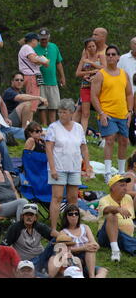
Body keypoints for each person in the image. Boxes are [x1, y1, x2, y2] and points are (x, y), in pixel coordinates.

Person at [46, 98, 92, 234]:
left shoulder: (78, 128)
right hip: (58, 167)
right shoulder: (53, 127)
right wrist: (53, 169)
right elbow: (48, 149)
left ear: (71, 112)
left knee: (73, 198)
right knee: (57, 197)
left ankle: (73, 227)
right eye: (60, 112)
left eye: (64, 112)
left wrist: (88, 166)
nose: (61, 115)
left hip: (74, 168)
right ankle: (53, 228)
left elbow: (84, 148)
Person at [91, 45, 133, 183]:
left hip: (122, 113)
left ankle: (121, 172)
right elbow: (94, 96)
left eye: (113, 54)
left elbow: (129, 94)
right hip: (107, 113)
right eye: (108, 54)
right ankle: (108, 172)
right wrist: (101, 113)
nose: (110, 56)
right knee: (109, 140)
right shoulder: (100, 74)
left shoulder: (124, 74)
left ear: (118, 57)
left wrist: (130, 111)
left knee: (123, 141)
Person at [60, 204, 107, 278]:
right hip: (74, 259)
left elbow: (93, 242)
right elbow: (66, 250)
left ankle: (91, 276)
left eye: (76, 213)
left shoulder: (85, 227)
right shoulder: (63, 232)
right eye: (70, 214)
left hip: (88, 260)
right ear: (66, 216)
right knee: (88, 250)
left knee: (104, 270)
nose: (74, 216)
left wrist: (95, 246)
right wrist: (83, 248)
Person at [97, 174, 136, 262]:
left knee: (124, 238)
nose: (125, 188)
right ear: (112, 188)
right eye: (122, 185)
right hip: (106, 236)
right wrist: (117, 209)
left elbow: (131, 218)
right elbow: (106, 209)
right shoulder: (104, 200)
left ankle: (128, 245)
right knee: (112, 215)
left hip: (125, 236)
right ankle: (115, 251)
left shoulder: (128, 198)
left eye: (125, 185)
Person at [34, 28, 66, 127]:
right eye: (42, 39)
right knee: (42, 106)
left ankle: (52, 126)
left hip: (53, 81)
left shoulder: (54, 47)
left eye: (45, 38)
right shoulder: (34, 48)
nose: (44, 40)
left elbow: (58, 63)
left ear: (48, 38)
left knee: (53, 105)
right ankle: (43, 126)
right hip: (40, 81)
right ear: (39, 38)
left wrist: (62, 76)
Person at [74, 38, 106, 132]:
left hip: (99, 87)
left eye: (93, 46)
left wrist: (92, 63)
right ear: (86, 48)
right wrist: (89, 72)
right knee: (85, 113)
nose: (92, 48)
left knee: (101, 110)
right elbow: (77, 73)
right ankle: (82, 135)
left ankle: (103, 134)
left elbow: (104, 68)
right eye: (89, 47)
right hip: (86, 86)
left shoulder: (101, 56)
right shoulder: (84, 59)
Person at [18, 32, 49, 116]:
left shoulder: (27, 48)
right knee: (32, 101)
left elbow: (34, 61)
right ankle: (28, 122)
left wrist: (42, 62)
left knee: (33, 100)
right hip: (31, 76)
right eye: (37, 40)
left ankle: (28, 121)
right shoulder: (27, 47)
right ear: (33, 40)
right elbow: (33, 59)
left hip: (32, 75)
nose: (38, 42)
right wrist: (44, 61)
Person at [117, 37, 136, 104]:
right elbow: (117, 75)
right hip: (127, 96)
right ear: (131, 45)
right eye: (135, 44)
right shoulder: (123, 58)